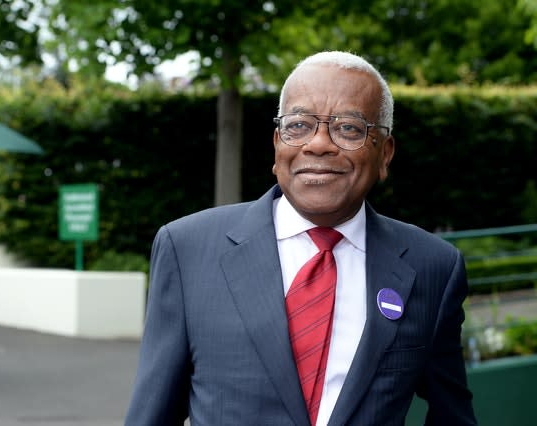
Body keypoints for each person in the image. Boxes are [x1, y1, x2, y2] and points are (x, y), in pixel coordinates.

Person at [125, 51, 476, 425]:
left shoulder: (433, 267)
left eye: (349, 128)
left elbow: (452, 414)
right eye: (299, 125)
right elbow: (152, 415)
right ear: (277, 145)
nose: (319, 144)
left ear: (385, 154)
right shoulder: (188, 250)